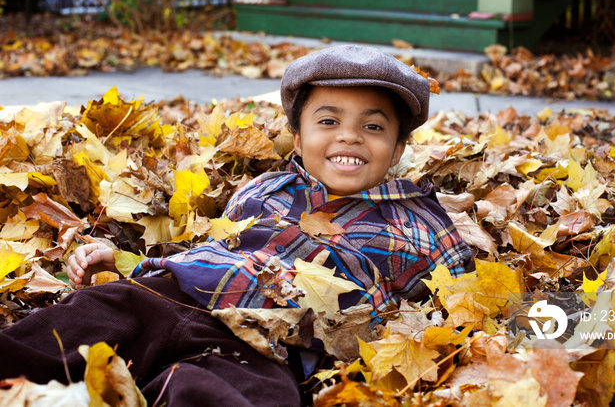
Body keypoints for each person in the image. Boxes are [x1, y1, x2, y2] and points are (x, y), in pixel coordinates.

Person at [0, 45, 474, 406]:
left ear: (397, 149)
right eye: (328, 120)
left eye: (373, 127)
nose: (349, 134)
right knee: (83, 319)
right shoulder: (264, 189)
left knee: (232, 395)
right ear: (298, 135)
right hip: (170, 295)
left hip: (269, 342)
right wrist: (128, 260)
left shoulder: (416, 221)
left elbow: (462, 299)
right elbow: (209, 246)